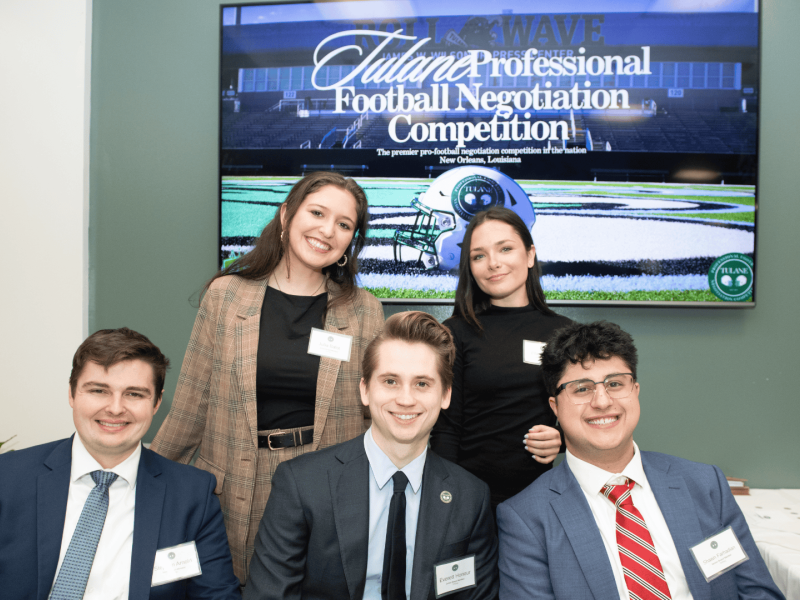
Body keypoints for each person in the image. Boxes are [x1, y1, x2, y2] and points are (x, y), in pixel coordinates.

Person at [150, 171, 384, 583]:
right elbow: (191, 407)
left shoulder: (364, 310)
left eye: (344, 224)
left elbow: (374, 416)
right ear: (285, 215)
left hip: (323, 485)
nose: (327, 230)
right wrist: (143, 481)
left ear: (352, 240)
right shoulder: (226, 296)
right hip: (233, 482)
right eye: (317, 212)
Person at [497, 321, 784, 600]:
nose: (602, 401)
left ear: (635, 391)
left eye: (615, 383)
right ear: (555, 407)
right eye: (582, 388)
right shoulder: (525, 519)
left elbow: (758, 592)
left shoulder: (705, 484)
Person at [244, 311, 499, 600]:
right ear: (365, 390)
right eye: (390, 381)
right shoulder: (302, 485)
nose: (405, 399)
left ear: (446, 396)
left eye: (422, 384)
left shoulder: (471, 497)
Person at [0, 327, 240, 600]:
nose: (115, 408)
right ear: (71, 393)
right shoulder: (7, 478)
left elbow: (217, 595)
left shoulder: (191, 495)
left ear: (157, 402)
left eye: (134, 394)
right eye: (99, 390)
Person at [431, 206, 572, 507]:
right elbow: (445, 430)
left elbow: (586, 410)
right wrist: (447, 502)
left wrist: (562, 439)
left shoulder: (565, 333)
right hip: (470, 501)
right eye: (478, 256)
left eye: (505, 249)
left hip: (540, 502)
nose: (493, 263)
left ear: (530, 255)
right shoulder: (455, 332)